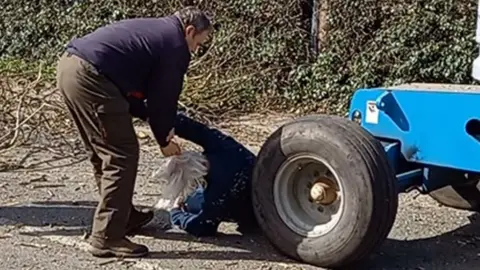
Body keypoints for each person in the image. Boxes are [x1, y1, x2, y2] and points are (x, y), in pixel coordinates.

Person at [55, 7, 213, 258]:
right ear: (190, 30)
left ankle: (123, 217)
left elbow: (138, 93)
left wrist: (151, 118)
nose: (194, 50)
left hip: (70, 68)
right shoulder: (174, 46)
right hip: (92, 77)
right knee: (121, 155)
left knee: (103, 152)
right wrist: (164, 140)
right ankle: (108, 237)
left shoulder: (157, 32)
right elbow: (163, 98)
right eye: (197, 43)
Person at [165, 113, 259, 237]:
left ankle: (185, 199)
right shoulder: (224, 146)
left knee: (192, 201)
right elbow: (196, 129)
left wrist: (176, 213)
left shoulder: (215, 199)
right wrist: (162, 122)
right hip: (260, 183)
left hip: (254, 214)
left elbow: (201, 227)